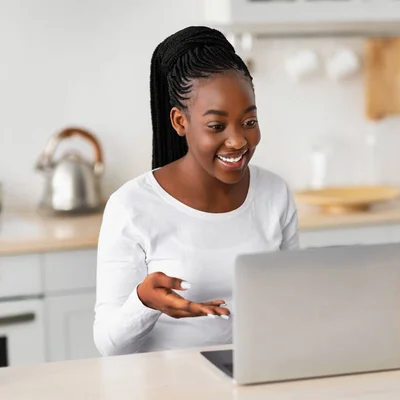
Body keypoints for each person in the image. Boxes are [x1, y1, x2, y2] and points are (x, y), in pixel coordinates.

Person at [93, 26, 299, 356]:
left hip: (256, 377)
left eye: (249, 121)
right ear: (180, 121)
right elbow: (108, 346)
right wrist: (145, 303)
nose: (238, 141)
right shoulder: (130, 207)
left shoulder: (274, 194)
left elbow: (291, 304)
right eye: (216, 126)